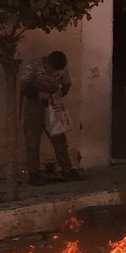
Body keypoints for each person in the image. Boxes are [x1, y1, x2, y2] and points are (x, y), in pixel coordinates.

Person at [21, 50, 79, 184]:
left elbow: (66, 84)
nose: (53, 72)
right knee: (32, 139)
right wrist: (38, 94)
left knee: (59, 137)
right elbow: (24, 85)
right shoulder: (34, 65)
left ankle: (67, 168)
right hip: (34, 105)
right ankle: (34, 173)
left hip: (53, 104)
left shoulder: (62, 69)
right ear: (48, 63)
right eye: (52, 69)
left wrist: (60, 92)